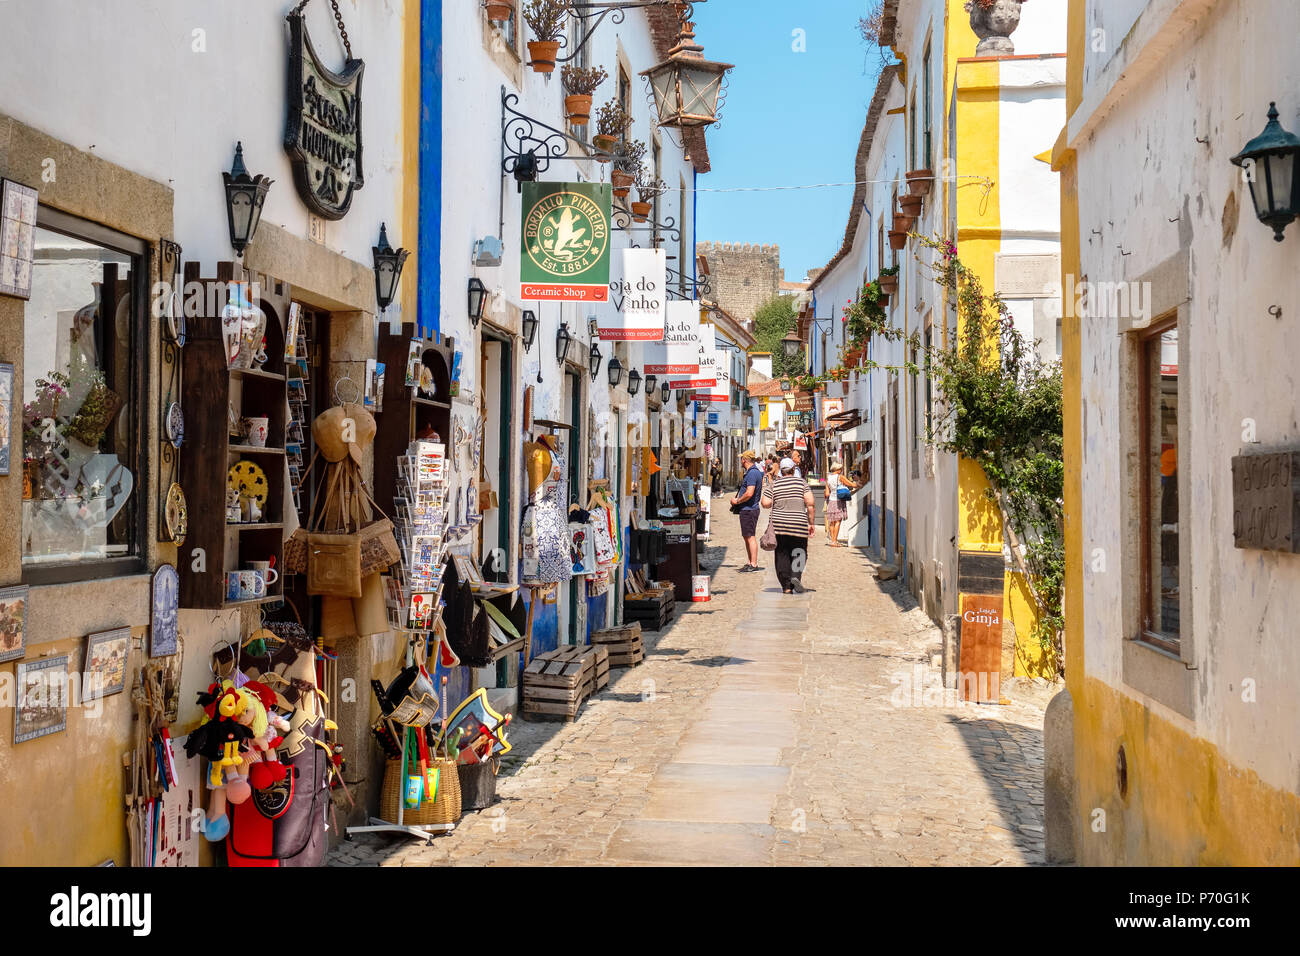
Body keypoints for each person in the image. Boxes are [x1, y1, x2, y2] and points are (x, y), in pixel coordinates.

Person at [762, 457, 816, 593]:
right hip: (799, 524)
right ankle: (795, 576)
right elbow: (810, 503)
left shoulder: (774, 484)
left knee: (782, 554)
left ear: (781, 471)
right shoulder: (802, 483)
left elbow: (765, 503)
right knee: (800, 551)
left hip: (779, 524)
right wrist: (811, 523)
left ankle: (786, 587)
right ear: (793, 469)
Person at [729, 450, 764, 573]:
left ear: (744, 460)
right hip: (747, 509)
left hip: (749, 509)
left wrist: (737, 501)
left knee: (750, 536)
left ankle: (754, 563)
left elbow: (749, 493)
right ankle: (750, 561)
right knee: (746, 536)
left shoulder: (752, 474)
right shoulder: (753, 472)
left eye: (741, 459)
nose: (740, 461)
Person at [823, 461, 859, 547]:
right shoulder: (840, 477)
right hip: (839, 501)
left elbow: (827, 493)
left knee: (832, 522)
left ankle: (832, 541)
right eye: (841, 469)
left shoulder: (828, 478)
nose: (842, 470)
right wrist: (859, 484)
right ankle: (835, 541)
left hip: (831, 501)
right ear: (838, 469)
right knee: (838, 521)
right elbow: (851, 484)